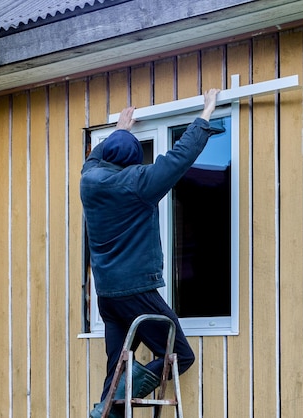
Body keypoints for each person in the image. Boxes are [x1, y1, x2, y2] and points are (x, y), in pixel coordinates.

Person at [80, 88, 221, 418]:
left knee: (117, 365)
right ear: (130, 162)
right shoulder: (137, 184)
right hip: (136, 291)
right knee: (181, 356)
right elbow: (177, 160)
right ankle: (112, 404)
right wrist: (206, 113)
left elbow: (94, 157)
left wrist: (119, 132)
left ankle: (107, 410)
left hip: (108, 298)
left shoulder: (88, 180)